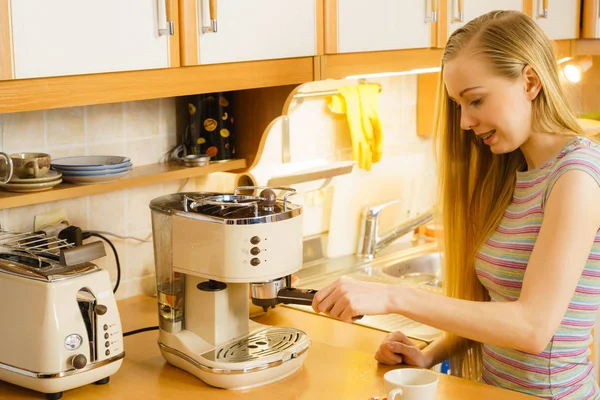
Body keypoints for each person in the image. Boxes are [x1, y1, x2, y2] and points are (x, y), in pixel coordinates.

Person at [311, 10, 600, 399]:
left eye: (475, 100)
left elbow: (532, 328)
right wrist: (428, 356)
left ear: (530, 81)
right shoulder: (514, 173)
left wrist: (394, 295)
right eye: (458, 105)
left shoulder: (577, 176)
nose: (464, 121)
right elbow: (495, 312)